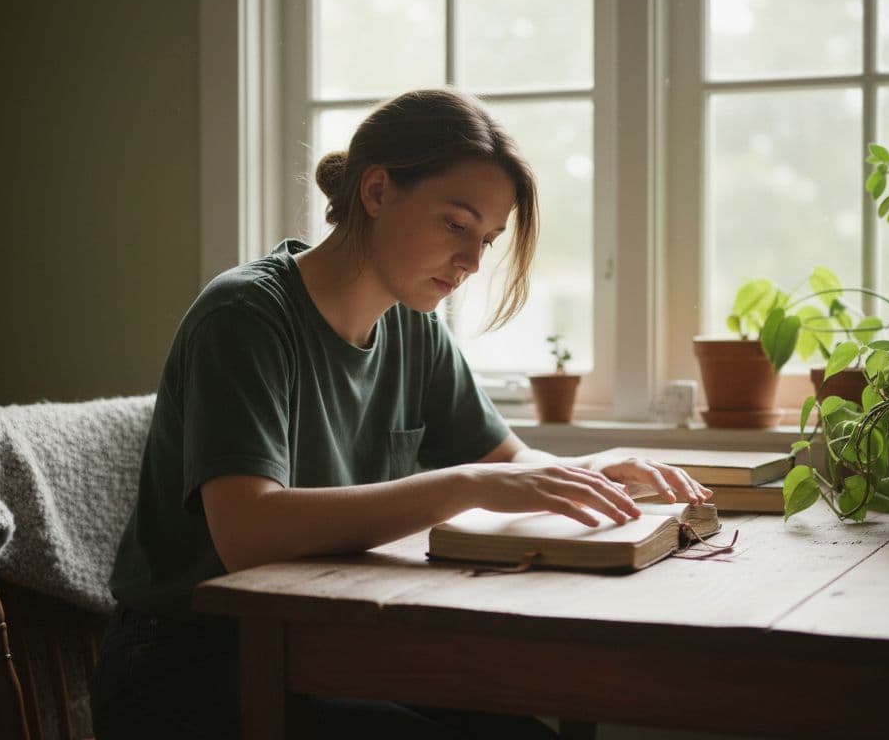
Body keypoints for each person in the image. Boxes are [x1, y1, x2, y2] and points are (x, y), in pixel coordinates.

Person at [90, 88, 711, 739]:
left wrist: (592, 468)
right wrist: (465, 486)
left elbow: (507, 464)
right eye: (456, 225)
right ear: (378, 191)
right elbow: (248, 533)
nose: (472, 263)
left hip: (332, 644)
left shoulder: (416, 330)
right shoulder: (245, 316)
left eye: (488, 241)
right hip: (190, 667)